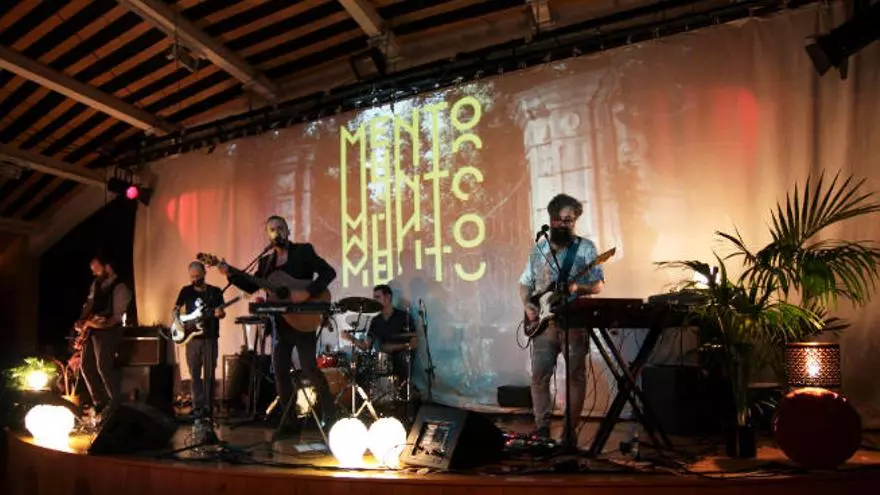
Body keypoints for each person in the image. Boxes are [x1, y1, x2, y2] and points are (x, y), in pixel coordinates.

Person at [219, 215, 338, 429]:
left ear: (288, 231)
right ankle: (289, 421)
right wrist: (230, 273)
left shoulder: (303, 251)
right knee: (280, 370)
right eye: (272, 229)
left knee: (309, 368)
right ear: (268, 235)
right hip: (281, 324)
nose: (277, 232)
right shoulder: (266, 263)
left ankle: (329, 412)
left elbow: (329, 273)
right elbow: (251, 286)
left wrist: (307, 292)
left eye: (280, 228)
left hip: (304, 320)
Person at [519, 194, 605, 439]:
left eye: (569, 220)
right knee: (539, 377)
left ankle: (569, 431)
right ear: (551, 220)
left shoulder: (585, 248)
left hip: (574, 323)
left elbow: (598, 284)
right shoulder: (540, 248)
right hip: (543, 325)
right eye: (558, 219)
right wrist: (528, 305)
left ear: (575, 221)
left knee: (575, 377)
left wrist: (579, 288)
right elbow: (524, 283)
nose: (563, 224)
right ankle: (542, 427)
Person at [76, 254, 132, 415]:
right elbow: (90, 303)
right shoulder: (97, 284)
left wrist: (100, 324)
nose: (94, 273)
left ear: (108, 267)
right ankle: (99, 403)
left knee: (104, 366)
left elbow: (117, 316)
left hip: (108, 331)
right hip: (92, 330)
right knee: (86, 366)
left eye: (96, 269)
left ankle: (116, 404)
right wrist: (82, 320)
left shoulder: (120, 287)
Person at [174, 261, 226, 418]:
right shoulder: (186, 291)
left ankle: (208, 407)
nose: (195, 279)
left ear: (204, 273)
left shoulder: (215, 292)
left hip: (210, 337)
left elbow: (222, 313)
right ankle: (197, 407)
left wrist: (220, 313)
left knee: (209, 374)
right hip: (192, 338)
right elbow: (175, 310)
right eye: (192, 277)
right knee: (194, 374)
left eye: (197, 276)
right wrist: (178, 323)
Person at [341, 284, 417, 383]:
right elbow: (366, 346)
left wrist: (395, 347)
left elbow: (414, 343)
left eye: (377, 297)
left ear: (388, 298)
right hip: (382, 363)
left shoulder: (404, 317)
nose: (374, 301)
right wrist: (351, 338)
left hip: (401, 363)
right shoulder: (375, 321)